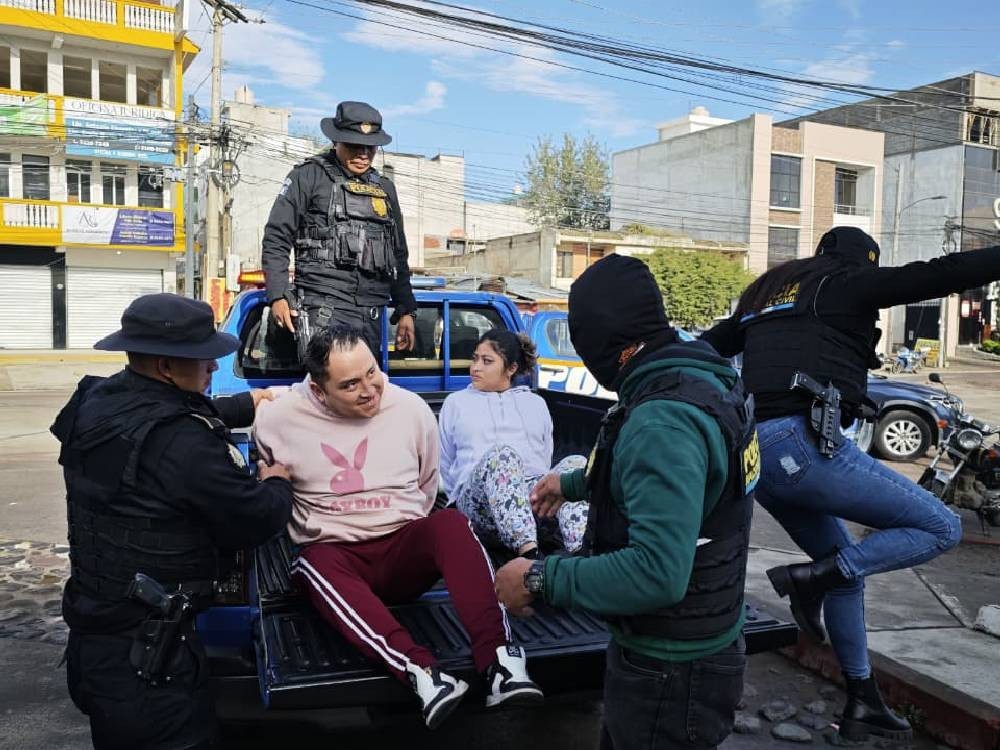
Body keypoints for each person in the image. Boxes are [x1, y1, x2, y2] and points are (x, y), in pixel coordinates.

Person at [701, 226, 1000, 744]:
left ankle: (863, 701)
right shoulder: (842, 284)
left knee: (846, 575)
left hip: (757, 461)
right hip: (803, 449)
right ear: (861, 264)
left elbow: (703, 349)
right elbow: (941, 274)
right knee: (940, 526)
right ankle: (812, 579)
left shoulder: (765, 299)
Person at [496, 255, 758, 750]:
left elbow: (656, 573)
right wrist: (572, 483)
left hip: (670, 669)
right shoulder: (704, 378)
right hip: (700, 640)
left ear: (608, 348)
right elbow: (692, 480)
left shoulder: (662, 422)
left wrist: (537, 577)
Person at [253, 326, 543, 729]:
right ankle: (424, 674)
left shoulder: (411, 409)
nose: (370, 389)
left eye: (372, 373)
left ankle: (501, 664)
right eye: (350, 384)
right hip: (336, 558)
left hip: (403, 552)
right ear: (319, 392)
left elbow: (428, 485)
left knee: (450, 524)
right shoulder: (277, 419)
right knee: (310, 564)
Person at [51, 294, 294, 750]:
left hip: (98, 641)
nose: (212, 367)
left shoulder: (97, 399)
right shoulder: (182, 445)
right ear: (165, 366)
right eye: (204, 360)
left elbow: (162, 419)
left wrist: (248, 403)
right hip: (152, 667)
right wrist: (277, 481)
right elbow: (258, 516)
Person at [261, 100, 417, 359]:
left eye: (370, 147)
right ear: (336, 141)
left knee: (362, 393)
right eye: (355, 145)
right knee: (327, 391)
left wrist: (406, 309)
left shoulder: (385, 188)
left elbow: (398, 254)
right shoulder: (308, 176)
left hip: (371, 312)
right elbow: (277, 236)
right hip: (324, 305)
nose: (363, 154)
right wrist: (277, 294)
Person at [439, 329, 587, 558]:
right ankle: (528, 552)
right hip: (478, 502)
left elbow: (544, 457)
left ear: (512, 368)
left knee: (576, 464)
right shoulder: (456, 403)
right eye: (475, 358)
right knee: (502, 457)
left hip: (533, 499)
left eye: (487, 361)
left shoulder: (536, 403)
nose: (476, 367)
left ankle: (581, 552)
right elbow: (445, 463)